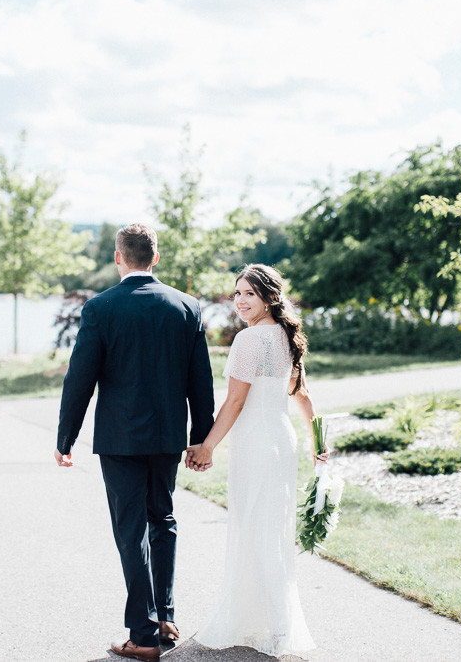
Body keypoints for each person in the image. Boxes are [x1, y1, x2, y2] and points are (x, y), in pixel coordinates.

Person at [56, 223, 216, 662]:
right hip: (167, 436)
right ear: (156, 258)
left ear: (117, 258)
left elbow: (79, 380)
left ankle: (143, 636)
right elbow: (200, 382)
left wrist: (65, 436)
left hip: (121, 438)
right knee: (161, 520)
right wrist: (201, 439)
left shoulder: (101, 308)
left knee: (131, 530)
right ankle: (164, 615)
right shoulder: (187, 306)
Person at [186, 263, 327, 658]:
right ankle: (268, 621)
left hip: (257, 442)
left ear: (269, 296)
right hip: (281, 439)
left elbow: (235, 401)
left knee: (256, 526)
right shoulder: (287, 336)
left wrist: (207, 446)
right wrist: (317, 440)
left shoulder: (249, 342)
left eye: (250, 293)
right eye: (237, 293)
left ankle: (279, 629)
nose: (241, 301)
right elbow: (301, 396)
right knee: (270, 527)